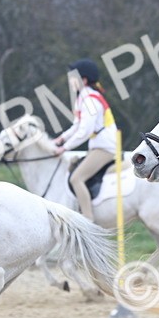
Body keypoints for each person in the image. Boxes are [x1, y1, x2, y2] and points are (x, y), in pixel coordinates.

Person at [54, 58, 118, 220]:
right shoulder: (83, 97)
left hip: (106, 147)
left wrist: (64, 148)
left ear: (83, 80)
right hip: (98, 146)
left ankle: (87, 220)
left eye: (73, 78)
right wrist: (62, 138)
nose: (70, 81)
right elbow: (77, 125)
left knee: (76, 178)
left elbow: (84, 131)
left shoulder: (90, 100)